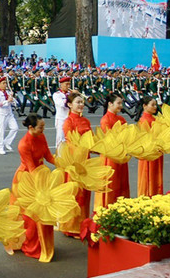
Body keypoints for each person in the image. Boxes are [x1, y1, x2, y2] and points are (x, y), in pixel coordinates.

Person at [8, 114, 56, 262]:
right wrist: (41, 186)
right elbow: (31, 167)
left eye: (43, 127)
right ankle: (30, 244)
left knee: (45, 211)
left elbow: (48, 156)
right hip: (27, 179)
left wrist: (63, 164)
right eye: (40, 127)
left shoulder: (41, 136)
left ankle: (44, 243)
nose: (43, 129)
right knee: (29, 215)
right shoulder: (24, 144)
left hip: (41, 174)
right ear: (31, 127)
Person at [59, 91, 92, 236]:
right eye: (77, 102)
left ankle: (82, 223)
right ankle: (71, 226)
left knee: (85, 193)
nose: (81, 105)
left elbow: (91, 139)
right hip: (75, 160)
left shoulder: (85, 121)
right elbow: (70, 142)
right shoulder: (68, 122)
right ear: (69, 105)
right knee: (75, 193)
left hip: (86, 159)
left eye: (82, 102)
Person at [96, 92, 129, 209]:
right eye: (118, 103)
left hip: (121, 154)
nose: (121, 106)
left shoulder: (121, 119)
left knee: (122, 182)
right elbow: (109, 138)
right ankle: (108, 208)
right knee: (112, 182)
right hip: (110, 156)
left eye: (121, 103)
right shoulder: (105, 119)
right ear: (110, 104)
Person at [136, 95, 164, 197]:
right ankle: (148, 196)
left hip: (157, 151)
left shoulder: (155, 119)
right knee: (149, 176)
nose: (155, 107)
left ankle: (156, 195)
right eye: (152, 105)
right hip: (149, 152)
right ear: (144, 106)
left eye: (155, 105)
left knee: (156, 175)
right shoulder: (144, 120)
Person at [0, 76, 19, 155]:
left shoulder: (8, 92)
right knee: (1, 131)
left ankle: (7, 142)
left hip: (9, 113)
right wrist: (7, 101)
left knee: (15, 128)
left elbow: (13, 102)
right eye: (3, 83)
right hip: (2, 114)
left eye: (5, 83)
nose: (5, 85)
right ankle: (0, 147)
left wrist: (13, 99)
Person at [52, 76, 71, 148]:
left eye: (69, 84)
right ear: (61, 85)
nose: (68, 86)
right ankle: (59, 155)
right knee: (60, 138)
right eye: (66, 84)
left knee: (70, 138)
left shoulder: (70, 93)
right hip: (61, 118)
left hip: (70, 118)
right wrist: (71, 97)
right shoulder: (57, 94)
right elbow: (63, 104)